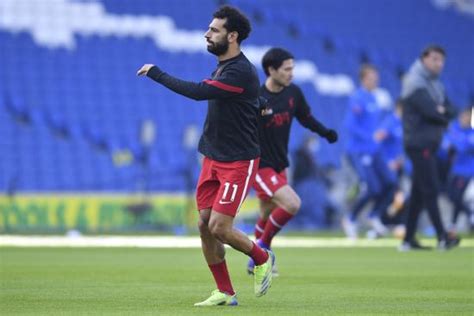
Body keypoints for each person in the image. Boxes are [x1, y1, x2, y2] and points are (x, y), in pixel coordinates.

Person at [137, 6, 274, 306]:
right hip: (213, 157)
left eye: (214, 30)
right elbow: (241, 97)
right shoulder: (226, 68)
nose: (206, 33)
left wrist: (156, 73)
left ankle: (262, 256)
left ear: (232, 36)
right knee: (203, 225)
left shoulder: (239, 70)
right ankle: (225, 292)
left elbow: (200, 92)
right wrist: (258, 101)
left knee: (219, 227)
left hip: (238, 161)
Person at [247, 48, 338, 274]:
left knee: (267, 212)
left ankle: (257, 262)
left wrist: (325, 132)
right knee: (292, 203)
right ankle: (262, 250)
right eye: (287, 69)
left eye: (292, 68)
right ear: (271, 70)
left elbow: (305, 118)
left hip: (280, 164)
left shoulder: (293, 93)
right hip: (260, 165)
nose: (291, 73)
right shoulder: (257, 99)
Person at [399, 45, 460, 251]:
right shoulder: (414, 82)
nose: (438, 64)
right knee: (431, 188)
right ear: (423, 58)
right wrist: (441, 112)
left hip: (429, 143)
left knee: (418, 194)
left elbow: (452, 109)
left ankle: (407, 240)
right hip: (419, 143)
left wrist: (441, 111)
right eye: (434, 59)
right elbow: (431, 112)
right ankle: (443, 237)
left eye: (441, 60)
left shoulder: (436, 85)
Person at [342, 64, 396, 239]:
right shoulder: (357, 98)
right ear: (363, 79)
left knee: (391, 183)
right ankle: (350, 219)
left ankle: (374, 216)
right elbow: (350, 125)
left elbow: (375, 125)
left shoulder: (374, 98)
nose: (376, 81)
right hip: (360, 150)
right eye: (372, 78)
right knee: (373, 188)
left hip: (375, 150)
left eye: (376, 78)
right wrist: (369, 136)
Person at [445, 106, 474, 234]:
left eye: (468, 116)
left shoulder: (471, 133)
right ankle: (468, 217)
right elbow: (445, 146)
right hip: (455, 170)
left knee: (459, 198)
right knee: (453, 197)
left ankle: (456, 223)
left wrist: (454, 138)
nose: (465, 119)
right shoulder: (455, 129)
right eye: (464, 116)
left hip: (468, 172)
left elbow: (462, 147)